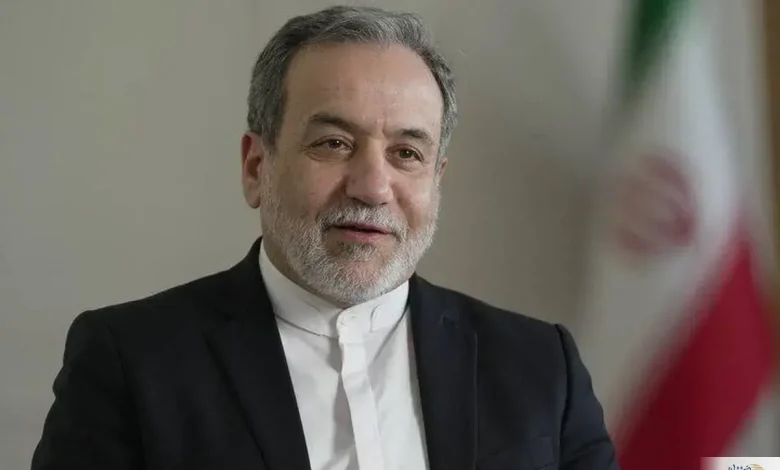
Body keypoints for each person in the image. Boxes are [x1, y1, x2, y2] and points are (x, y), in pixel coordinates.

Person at [32, 6, 618, 470]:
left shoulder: (542, 366)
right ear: (257, 166)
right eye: (334, 144)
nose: (372, 187)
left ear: (436, 179)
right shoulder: (131, 361)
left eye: (407, 153)